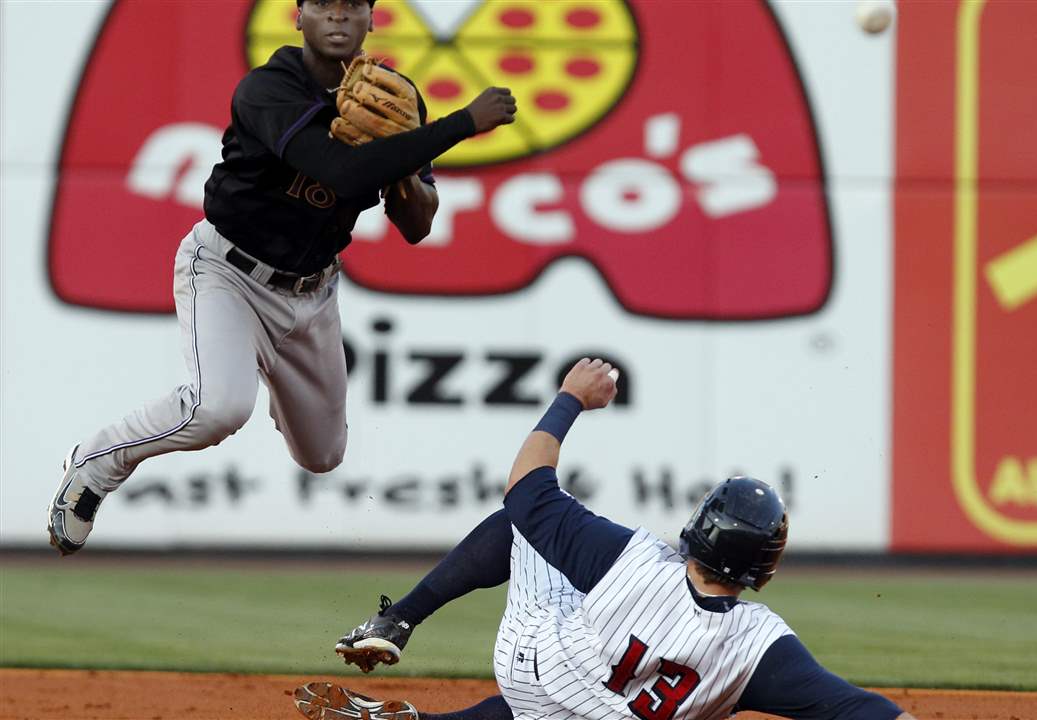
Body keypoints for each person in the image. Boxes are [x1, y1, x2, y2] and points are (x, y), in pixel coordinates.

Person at [46, 0, 517, 556]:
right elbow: (341, 173)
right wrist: (462, 124)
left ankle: (269, 369)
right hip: (228, 272)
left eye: (352, 6)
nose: (338, 16)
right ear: (299, 17)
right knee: (217, 409)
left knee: (323, 456)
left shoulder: (398, 96)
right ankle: (99, 462)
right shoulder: (268, 88)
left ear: (372, 18)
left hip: (313, 290)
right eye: (324, 4)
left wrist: (408, 178)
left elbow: (416, 225)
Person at [298, 359, 917, 720]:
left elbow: (526, 490)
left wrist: (569, 398)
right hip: (605, 713)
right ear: (766, 564)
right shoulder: (760, 645)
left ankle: (399, 621)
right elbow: (853, 709)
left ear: (699, 530)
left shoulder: (632, 561)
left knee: (522, 526)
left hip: (536, 672)